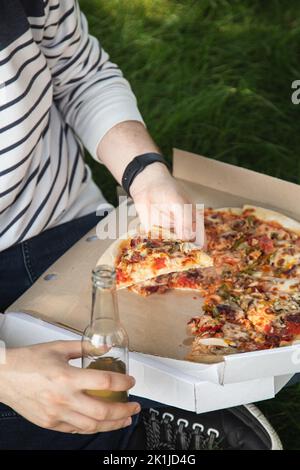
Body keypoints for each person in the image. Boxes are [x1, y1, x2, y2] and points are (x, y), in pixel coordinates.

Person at [0, 0, 281, 450]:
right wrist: (6, 374)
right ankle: (163, 408)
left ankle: (156, 406)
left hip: (63, 224)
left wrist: (145, 174)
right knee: (54, 417)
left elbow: (80, 74)